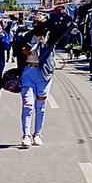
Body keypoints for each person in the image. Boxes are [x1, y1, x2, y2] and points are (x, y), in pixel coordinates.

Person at [14, 12, 56, 148]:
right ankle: (26, 135)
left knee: (40, 107)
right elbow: (16, 49)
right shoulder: (26, 36)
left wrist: (55, 16)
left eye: (40, 22)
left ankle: (37, 134)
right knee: (28, 105)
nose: (37, 25)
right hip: (28, 72)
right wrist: (22, 51)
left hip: (43, 75)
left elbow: (62, 27)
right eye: (35, 22)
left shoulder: (50, 37)